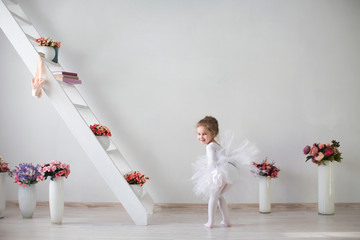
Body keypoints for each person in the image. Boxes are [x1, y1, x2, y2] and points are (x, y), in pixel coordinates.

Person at [192, 116, 259, 228]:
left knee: (213, 196)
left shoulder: (210, 146)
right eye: (198, 134)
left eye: (204, 134)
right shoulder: (216, 144)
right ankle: (226, 221)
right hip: (232, 172)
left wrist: (207, 172)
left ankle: (210, 222)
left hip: (222, 172)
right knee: (220, 196)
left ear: (212, 133)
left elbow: (212, 163)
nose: (201, 137)